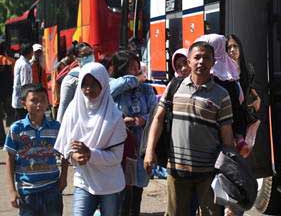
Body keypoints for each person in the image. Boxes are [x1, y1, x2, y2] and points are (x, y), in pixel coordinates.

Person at [144, 41, 235, 216]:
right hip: (177, 170)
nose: (201, 62)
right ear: (189, 61)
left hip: (209, 171)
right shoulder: (175, 86)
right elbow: (158, 118)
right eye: (197, 57)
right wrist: (150, 151)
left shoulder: (221, 95)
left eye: (206, 58)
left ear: (213, 62)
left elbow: (227, 133)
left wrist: (229, 168)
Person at [54, 62, 127, 216]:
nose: (88, 89)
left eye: (94, 84)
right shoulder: (73, 111)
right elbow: (66, 146)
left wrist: (90, 154)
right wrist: (73, 155)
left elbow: (116, 157)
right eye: (84, 84)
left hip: (110, 185)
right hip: (84, 181)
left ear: (104, 85)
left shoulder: (114, 117)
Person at [5, 84, 68, 216]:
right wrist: (12, 191)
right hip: (27, 192)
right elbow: (10, 160)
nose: (39, 104)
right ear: (24, 103)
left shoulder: (56, 127)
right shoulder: (17, 129)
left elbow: (64, 153)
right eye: (34, 100)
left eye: (43, 99)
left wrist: (63, 178)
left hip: (52, 189)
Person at [109, 50, 157, 216]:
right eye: (130, 67)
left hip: (141, 144)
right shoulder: (113, 86)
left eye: (137, 66)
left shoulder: (146, 89)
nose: (136, 70)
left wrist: (139, 120)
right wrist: (134, 79)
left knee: (137, 190)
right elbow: (110, 90)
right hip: (120, 146)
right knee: (122, 191)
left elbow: (154, 112)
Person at [56, 42, 95, 123]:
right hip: (77, 122)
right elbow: (64, 105)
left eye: (90, 53)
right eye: (84, 55)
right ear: (76, 58)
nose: (88, 57)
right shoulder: (71, 79)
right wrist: (59, 128)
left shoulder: (98, 73)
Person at [226, 34, 261, 112]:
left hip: (245, 113)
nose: (232, 50)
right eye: (229, 47)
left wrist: (257, 99)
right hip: (229, 113)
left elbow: (251, 86)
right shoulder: (223, 70)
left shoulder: (248, 68)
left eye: (235, 46)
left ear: (240, 48)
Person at [12, 44, 33, 120]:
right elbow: (25, 85)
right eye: (32, 52)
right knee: (22, 122)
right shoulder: (24, 65)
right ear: (29, 52)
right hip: (22, 99)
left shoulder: (19, 61)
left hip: (19, 98)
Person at [0, 41, 15, 143]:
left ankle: (2, 138)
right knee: (12, 116)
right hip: (9, 93)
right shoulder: (10, 61)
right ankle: (13, 138)